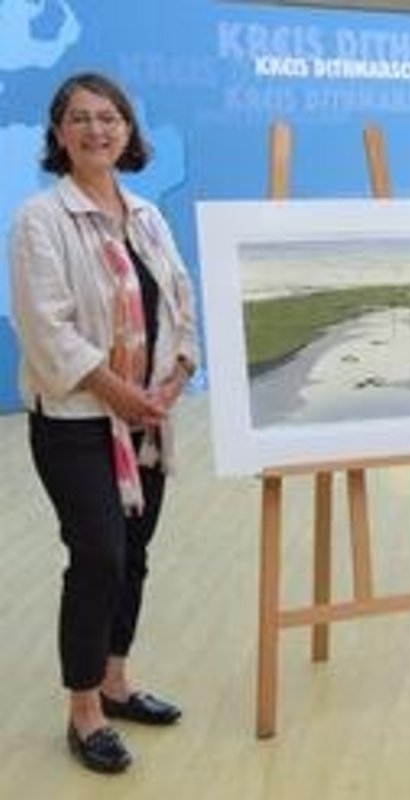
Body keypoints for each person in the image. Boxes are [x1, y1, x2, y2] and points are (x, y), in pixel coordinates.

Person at [8, 72, 198, 774]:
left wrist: (177, 375)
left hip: (148, 417)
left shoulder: (147, 213)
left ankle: (116, 682)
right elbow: (46, 327)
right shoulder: (40, 219)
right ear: (59, 133)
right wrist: (120, 392)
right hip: (79, 419)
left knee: (136, 553)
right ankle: (83, 710)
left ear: (128, 130)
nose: (97, 130)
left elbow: (180, 297)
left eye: (110, 117)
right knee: (99, 556)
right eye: (81, 118)